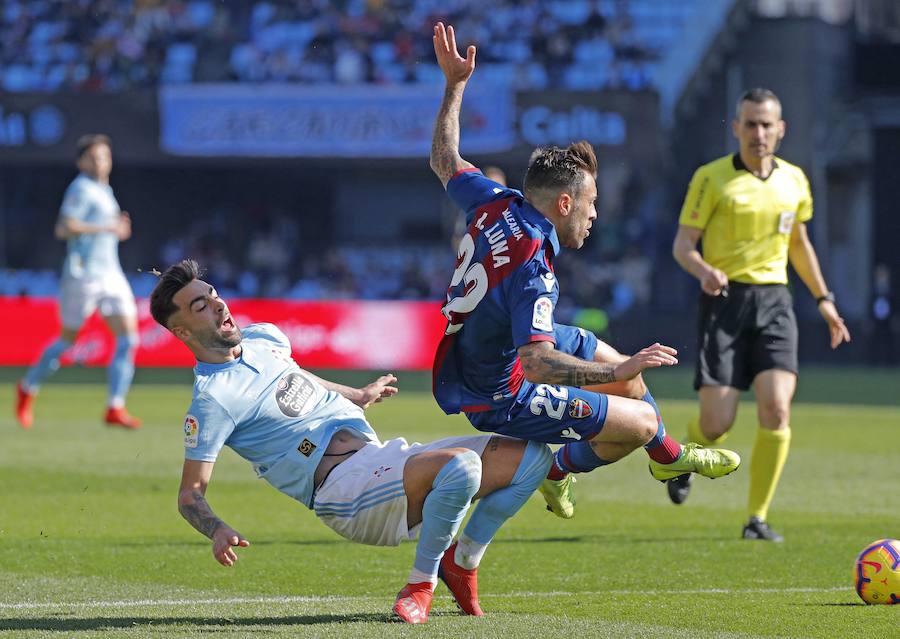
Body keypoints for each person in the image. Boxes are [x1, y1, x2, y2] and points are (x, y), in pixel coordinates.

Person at [429, 22, 741, 520]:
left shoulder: (496, 200)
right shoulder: (533, 265)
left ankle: (615, 467)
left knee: (635, 389)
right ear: (565, 202)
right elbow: (536, 364)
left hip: (503, 342)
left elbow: (444, 159)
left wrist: (454, 86)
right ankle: (659, 457)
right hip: (500, 391)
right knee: (638, 422)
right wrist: (615, 370)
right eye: (592, 203)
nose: (596, 215)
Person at [148, 259, 553, 624]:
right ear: (181, 330)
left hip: (379, 458)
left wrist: (357, 395)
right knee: (461, 466)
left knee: (533, 457)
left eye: (214, 295)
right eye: (201, 306)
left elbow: (299, 377)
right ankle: (421, 584)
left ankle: (461, 562)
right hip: (344, 492)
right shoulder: (213, 400)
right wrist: (216, 529)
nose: (218, 305)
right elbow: (190, 495)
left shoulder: (264, 338)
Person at [670, 88, 852, 541]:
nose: (758, 133)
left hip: (775, 303)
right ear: (736, 128)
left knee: (776, 409)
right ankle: (684, 455)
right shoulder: (711, 179)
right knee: (717, 424)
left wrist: (824, 298)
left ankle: (757, 518)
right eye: (750, 124)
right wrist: (704, 270)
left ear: (781, 129)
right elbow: (682, 246)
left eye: (766, 124)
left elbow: (799, 245)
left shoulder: (794, 181)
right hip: (724, 301)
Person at [15, 134, 142, 429]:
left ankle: (115, 406)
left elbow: (104, 230)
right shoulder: (80, 189)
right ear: (82, 161)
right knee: (67, 341)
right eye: (96, 157)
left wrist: (116, 229)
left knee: (129, 338)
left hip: (111, 273)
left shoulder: (105, 190)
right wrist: (106, 226)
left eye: (106, 157)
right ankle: (27, 386)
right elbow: (64, 227)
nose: (102, 162)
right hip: (83, 274)